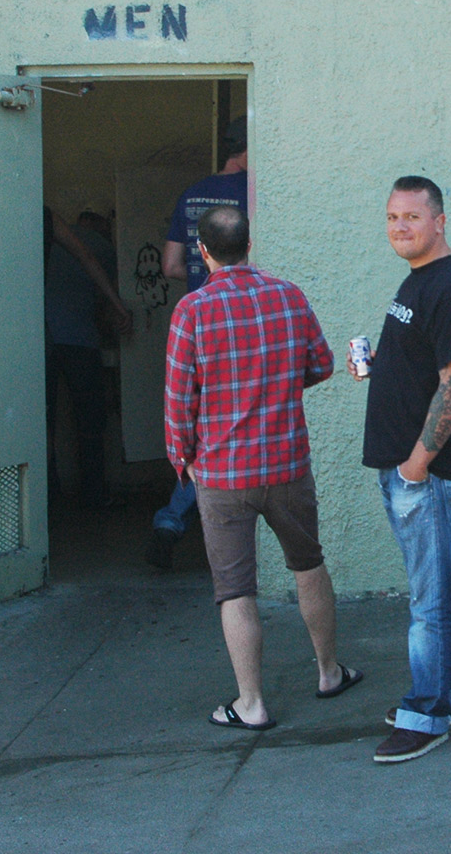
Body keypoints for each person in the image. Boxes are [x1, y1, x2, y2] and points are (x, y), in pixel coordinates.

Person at [163, 205, 360, 731]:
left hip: (225, 474)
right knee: (308, 564)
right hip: (288, 464)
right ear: (250, 244)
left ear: (203, 253)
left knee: (235, 588)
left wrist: (181, 458)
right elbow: (319, 365)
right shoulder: (289, 296)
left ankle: (250, 703)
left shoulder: (193, 311)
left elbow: (179, 400)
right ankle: (328, 671)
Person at [353, 176, 451, 764]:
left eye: (411, 217)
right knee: (446, 586)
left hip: (425, 473)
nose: (400, 227)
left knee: (428, 599)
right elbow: (428, 366)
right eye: (391, 218)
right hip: (413, 469)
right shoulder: (420, 280)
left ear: (440, 221)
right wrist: (382, 367)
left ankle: (425, 714)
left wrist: (415, 466)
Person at [146, 116, 251, 569]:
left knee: (198, 428)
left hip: (199, 322)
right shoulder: (257, 192)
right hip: (247, 325)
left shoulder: (193, 194)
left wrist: (197, 270)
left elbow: (170, 265)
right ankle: (218, 531)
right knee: (238, 425)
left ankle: (173, 519)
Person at [45, 210, 128, 512]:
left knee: (45, 424)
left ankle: (47, 501)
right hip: (80, 338)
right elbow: (99, 290)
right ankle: (94, 494)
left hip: (42, 337)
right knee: (90, 422)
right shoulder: (100, 245)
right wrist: (120, 309)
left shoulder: (42, 232)